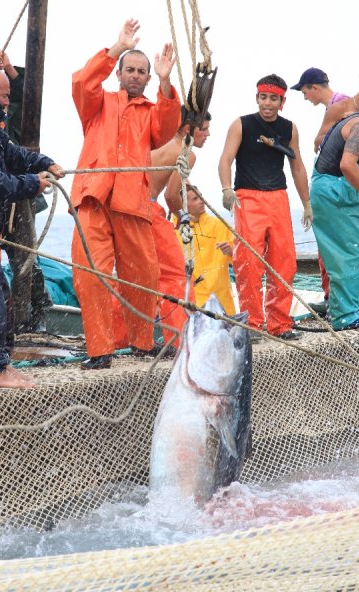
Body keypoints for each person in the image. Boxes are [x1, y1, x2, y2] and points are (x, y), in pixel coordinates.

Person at [71, 19, 180, 369]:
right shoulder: (97, 104)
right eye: (129, 69)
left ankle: (142, 342)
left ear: (147, 78)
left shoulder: (152, 110)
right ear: (118, 73)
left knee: (144, 275)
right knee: (91, 275)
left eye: (142, 72)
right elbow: (82, 81)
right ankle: (100, 350)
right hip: (92, 200)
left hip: (132, 203)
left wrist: (165, 81)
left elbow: (167, 130)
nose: (135, 75)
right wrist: (116, 47)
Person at [0, 63, 63, 388]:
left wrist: (44, 163)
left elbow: (10, 154)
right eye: (4, 97)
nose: (6, 103)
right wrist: (31, 184)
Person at [218, 74, 312, 340]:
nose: (267, 103)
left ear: (282, 101)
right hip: (247, 198)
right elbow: (225, 159)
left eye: (273, 98)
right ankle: (253, 325)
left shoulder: (289, 128)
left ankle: (280, 324)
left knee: (284, 263)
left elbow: (297, 166)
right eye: (263, 97)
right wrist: (226, 188)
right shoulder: (241, 124)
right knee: (248, 263)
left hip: (278, 198)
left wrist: (306, 203)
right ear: (256, 97)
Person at [111, 107, 211, 351]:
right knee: (175, 276)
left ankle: (119, 339)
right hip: (148, 210)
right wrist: (182, 218)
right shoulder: (187, 153)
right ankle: (181, 341)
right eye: (204, 129)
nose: (208, 135)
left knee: (130, 277)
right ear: (188, 129)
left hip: (124, 209)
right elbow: (171, 196)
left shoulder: (158, 147)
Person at [0, 50, 53, 333]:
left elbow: (28, 101)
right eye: (2, 94)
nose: (5, 101)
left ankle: (27, 321)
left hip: (19, 197)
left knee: (25, 261)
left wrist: (11, 71)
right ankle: (2, 330)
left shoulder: (4, 117)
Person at [313, 64, 359, 319]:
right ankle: (346, 317)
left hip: (337, 195)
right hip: (335, 195)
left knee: (353, 252)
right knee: (349, 254)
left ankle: (348, 312)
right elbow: (347, 164)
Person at [291, 67, 349, 315]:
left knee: (333, 247)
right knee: (329, 247)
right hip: (337, 185)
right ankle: (332, 297)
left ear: (315, 87)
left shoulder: (342, 105)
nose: (305, 97)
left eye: (305, 91)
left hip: (340, 187)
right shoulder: (336, 107)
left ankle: (337, 300)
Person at [176, 183, 236, 314]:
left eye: (201, 197)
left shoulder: (219, 224)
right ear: (183, 205)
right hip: (191, 302)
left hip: (222, 301)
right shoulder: (174, 231)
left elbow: (240, 258)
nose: (201, 201)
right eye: (195, 199)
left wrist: (231, 251)